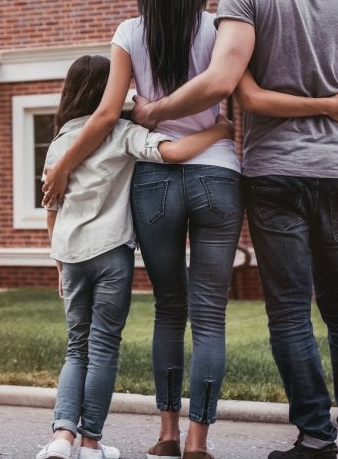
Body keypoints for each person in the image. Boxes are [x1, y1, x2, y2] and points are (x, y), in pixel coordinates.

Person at [41, 0, 338, 459]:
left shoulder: (129, 33)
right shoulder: (220, 28)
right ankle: (197, 442)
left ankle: (165, 434)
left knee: (169, 309)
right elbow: (248, 95)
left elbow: (103, 116)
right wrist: (321, 105)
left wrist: (63, 168)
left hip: (155, 182)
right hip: (217, 178)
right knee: (209, 316)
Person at [131, 0, 338, 459]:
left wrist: (153, 110)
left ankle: (315, 438)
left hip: (274, 173)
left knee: (290, 308)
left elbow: (224, 83)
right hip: (336, 170)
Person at [37, 54, 234, 459]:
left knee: (77, 347)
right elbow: (175, 153)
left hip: (71, 257)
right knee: (104, 346)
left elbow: (51, 209)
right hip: (112, 254)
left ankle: (61, 437)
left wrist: (59, 264)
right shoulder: (123, 133)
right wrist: (220, 130)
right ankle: (91, 442)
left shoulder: (58, 145)